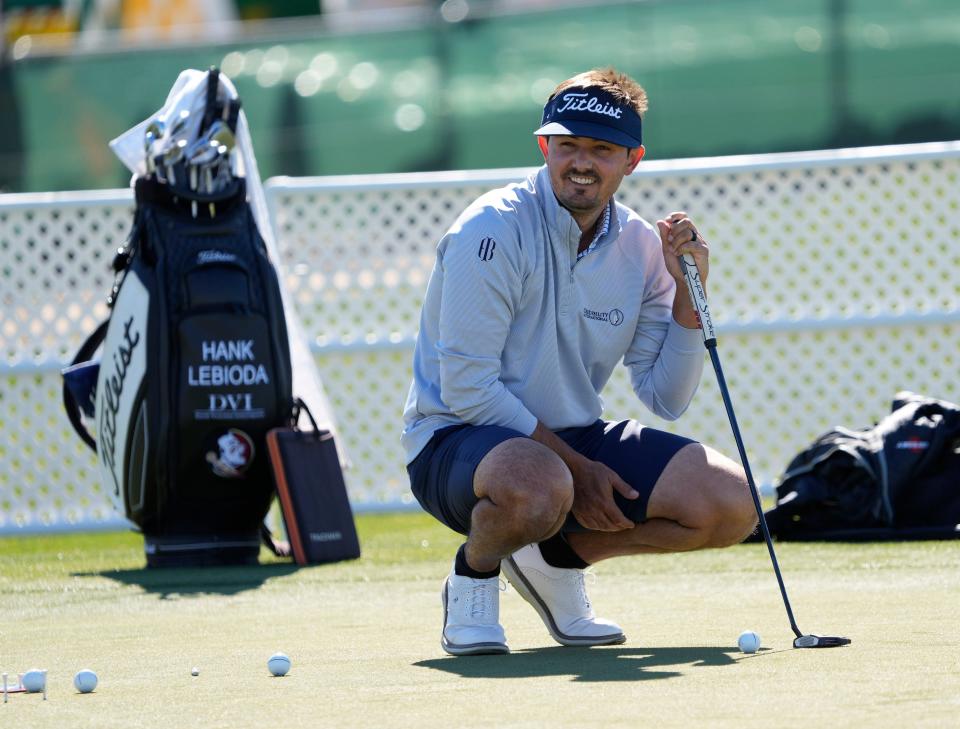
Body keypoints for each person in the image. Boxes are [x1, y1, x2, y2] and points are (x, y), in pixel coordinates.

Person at [401, 67, 757, 656]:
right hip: (455, 442)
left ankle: (554, 560)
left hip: (571, 442)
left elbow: (665, 396)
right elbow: (467, 390)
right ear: (545, 147)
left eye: (602, 148)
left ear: (632, 160)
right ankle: (475, 572)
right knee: (541, 484)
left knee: (731, 504)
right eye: (567, 145)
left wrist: (691, 296)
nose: (581, 162)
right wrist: (577, 469)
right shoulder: (491, 230)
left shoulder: (643, 247)